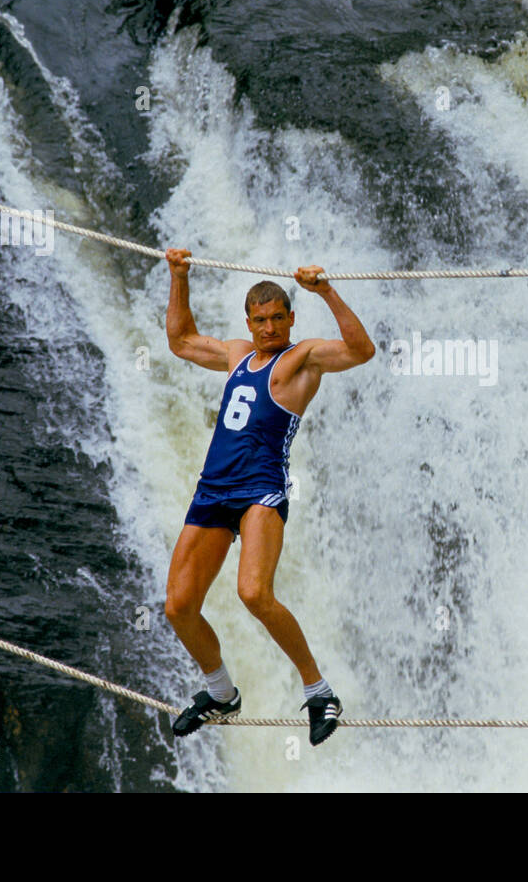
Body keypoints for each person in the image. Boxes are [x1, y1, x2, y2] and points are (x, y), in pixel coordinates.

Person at [162, 247, 374, 746]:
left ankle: (320, 691)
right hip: (213, 490)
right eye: (261, 320)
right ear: (249, 322)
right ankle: (220, 693)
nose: (269, 328)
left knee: (254, 592)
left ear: (291, 318)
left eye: (278, 318)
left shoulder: (303, 359)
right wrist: (178, 276)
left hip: (261, 488)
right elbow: (181, 340)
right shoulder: (238, 354)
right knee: (177, 606)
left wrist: (325, 291)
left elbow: (361, 350)